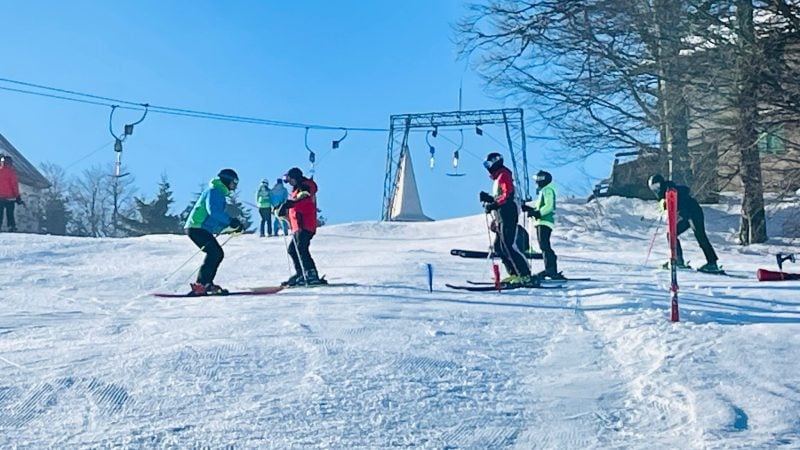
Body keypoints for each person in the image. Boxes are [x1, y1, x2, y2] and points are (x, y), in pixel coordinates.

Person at [183, 168, 245, 295]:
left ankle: (206, 284)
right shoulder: (215, 191)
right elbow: (214, 212)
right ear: (227, 180)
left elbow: (215, 217)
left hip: (199, 227)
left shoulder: (218, 192)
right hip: (197, 227)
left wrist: (232, 226)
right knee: (215, 253)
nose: (235, 186)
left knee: (215, 253)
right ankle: (201, 285)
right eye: (234, 182)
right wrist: (230, 221)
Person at [479, 152, 533, 285]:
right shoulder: (497, 178)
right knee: (499, 247)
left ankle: (525, 274)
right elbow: (500, 197)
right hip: (501, 215)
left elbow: (507, 194)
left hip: (508, 213)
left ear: (496, 162)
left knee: (509, 245)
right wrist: (489, 199)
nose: (488, 168)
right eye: (486, 165)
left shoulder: (504, 175)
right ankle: (514, 273)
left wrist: (494, 204)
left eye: (489, 164)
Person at [648, 174, 720, 273]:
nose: (656, 189)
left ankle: (712, 262)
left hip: (694, 213)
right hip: (685, 215)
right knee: (671, 234)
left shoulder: (670, 190)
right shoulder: (665, 193)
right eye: (653, 188)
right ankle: (678, 260)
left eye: (657, 186)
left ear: (661, 183)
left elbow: (681, 195)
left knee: (700, 236)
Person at [276, 167, 325, 286]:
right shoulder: (296, 190)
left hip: (305, 224)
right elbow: (294, 206)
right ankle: (301, 273)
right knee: (293, 250)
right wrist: (282, 211)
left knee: (301, 248)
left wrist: (291, 203)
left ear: (296, 178)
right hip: (297, 226)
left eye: (290, 180)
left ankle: (311, 273)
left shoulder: (306, 186)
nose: (289, 183)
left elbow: (304, 196)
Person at [522, 170, 564, 280]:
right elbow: (541, 206)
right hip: (541, 221)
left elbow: (549, 206)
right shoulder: (544, 191)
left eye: (538, 179)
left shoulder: (547, 190)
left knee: (544, 245)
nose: (536, 182)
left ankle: (551, 269)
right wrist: (531, 210)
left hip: (545, 221)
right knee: (544, 245)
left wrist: (538, 213)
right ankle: (550, 268)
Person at [0, 155, 23, 232]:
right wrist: (17, 196)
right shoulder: (11, 172)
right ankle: (11, 226)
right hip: (10, 197)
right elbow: (14, 185)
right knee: (10, 213)